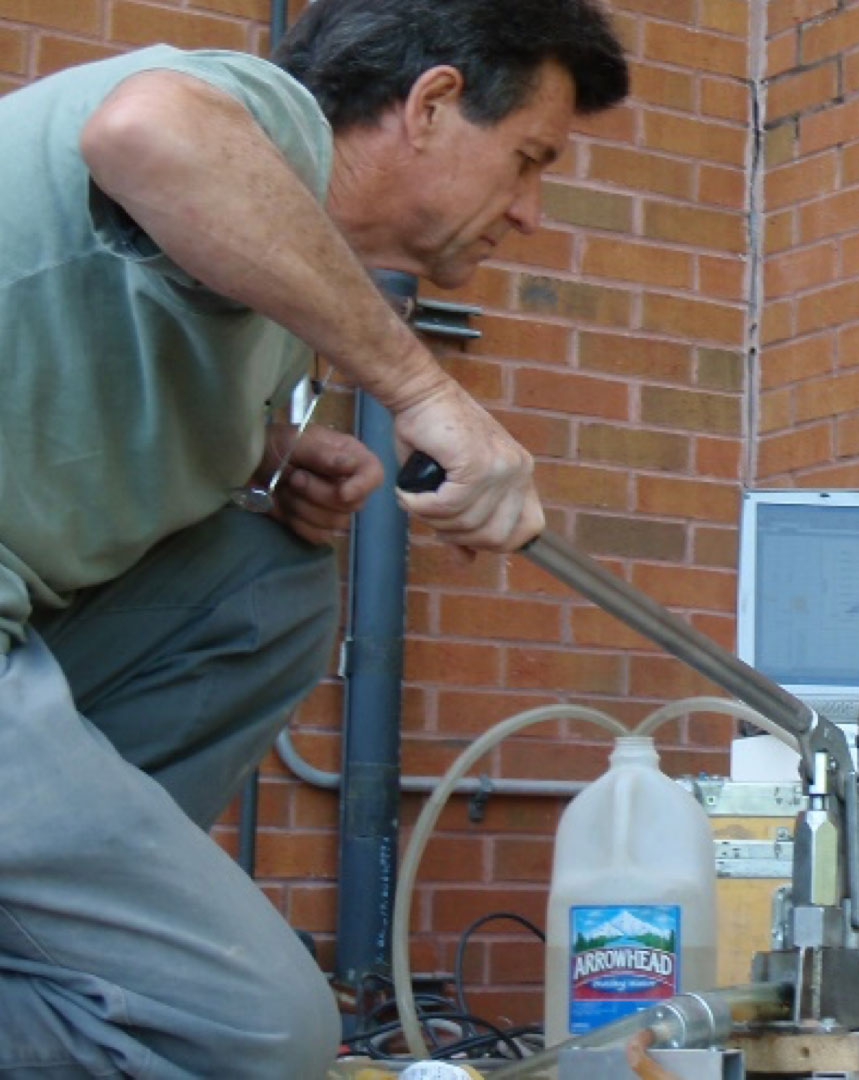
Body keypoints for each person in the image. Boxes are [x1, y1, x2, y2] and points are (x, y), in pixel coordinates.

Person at [0, 1, 629, 1075]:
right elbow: (146, 132)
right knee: (248, 1027)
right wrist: (425, 391)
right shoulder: (265, 121)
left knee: (268, 583)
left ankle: (64, 945)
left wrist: (262, 453)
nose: (528, 211)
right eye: (527, 159)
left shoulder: (263, 282)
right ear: (430, 104)